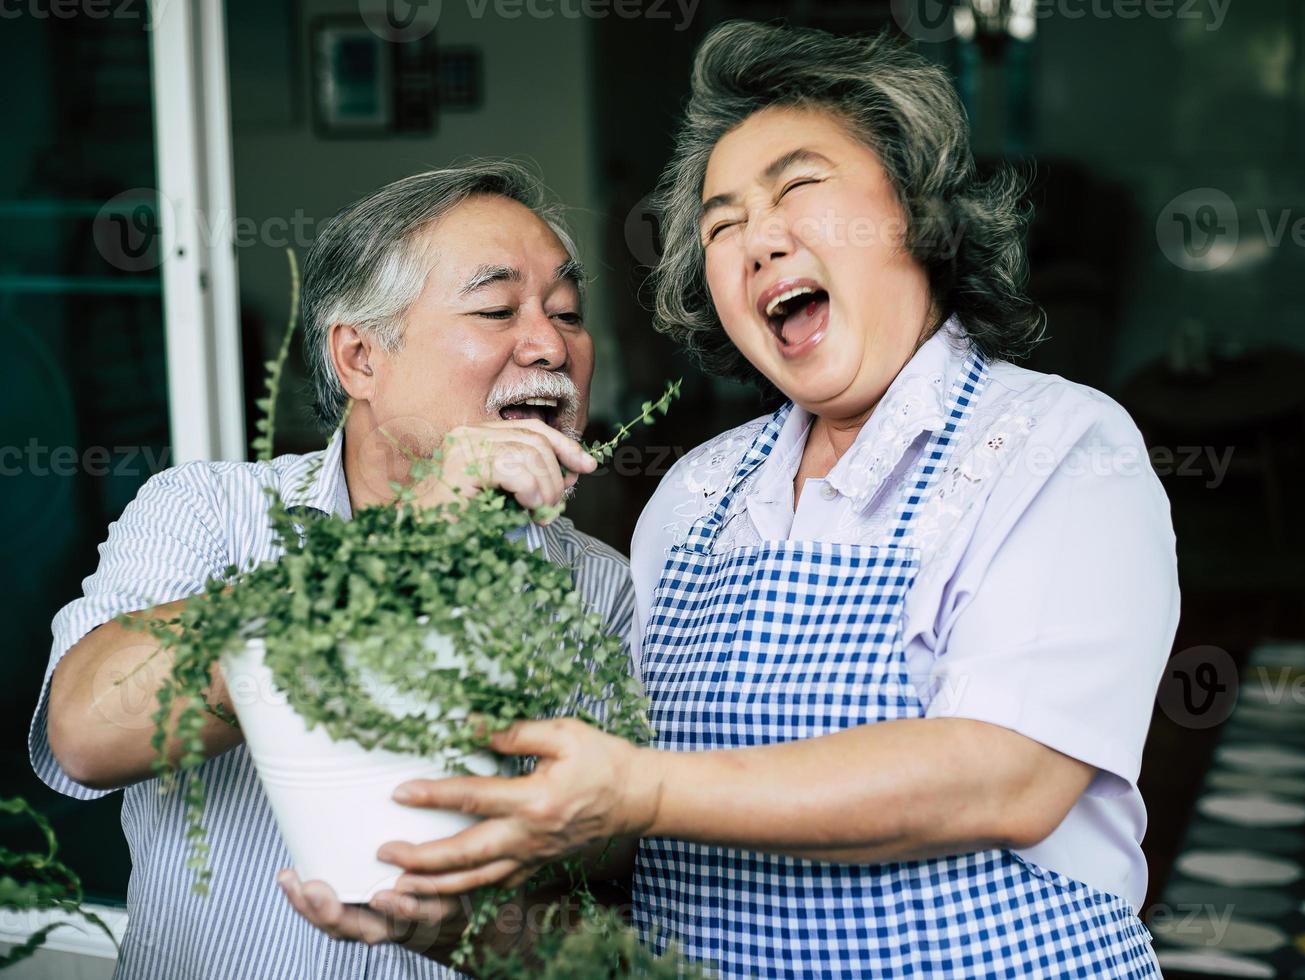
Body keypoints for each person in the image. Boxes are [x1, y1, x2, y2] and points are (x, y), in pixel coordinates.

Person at [286, 22, 1179, 978]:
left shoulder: (1059, 446)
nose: (758, 239)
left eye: (798, 188)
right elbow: (651, 872)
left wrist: (642, 790)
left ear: (919, 215)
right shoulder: (697, 495)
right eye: (720, 226)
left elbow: (1008, 779)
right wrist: (459, 916)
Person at [32, 160, 631, 979]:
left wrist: (463, 921)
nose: (550, 344)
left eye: (567, 312)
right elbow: (87, 733)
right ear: (358, 359)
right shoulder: (211, 513)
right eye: (496, 309)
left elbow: (598, 897)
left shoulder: (600, 588)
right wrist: (401, 546)